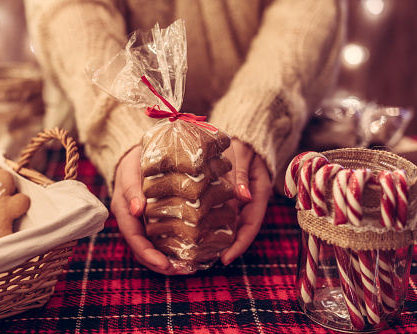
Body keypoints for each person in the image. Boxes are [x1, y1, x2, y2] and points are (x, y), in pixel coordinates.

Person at [24, 0, 346, 274]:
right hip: (108, 140)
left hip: (263, 147)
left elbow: (306, 10)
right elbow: (71, 14)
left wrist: (257, 113)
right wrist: (121, 127)